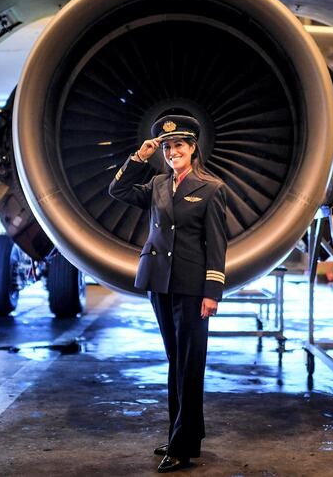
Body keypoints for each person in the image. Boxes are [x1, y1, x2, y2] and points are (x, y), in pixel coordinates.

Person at [109, 114, 228, 473]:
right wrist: (139, 158)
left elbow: (217, 244)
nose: (172, 151)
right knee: (177, 362)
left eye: (179, 145)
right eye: (166, 146)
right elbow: (117, 191)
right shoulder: (159, 184)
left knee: (190, 365)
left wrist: (213, 291)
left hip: (192, 288)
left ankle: (182, 445)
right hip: (160, 283)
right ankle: (186, 434)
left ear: (193, 148)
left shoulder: (211, 188)